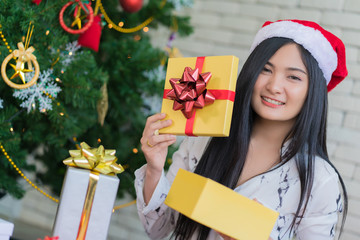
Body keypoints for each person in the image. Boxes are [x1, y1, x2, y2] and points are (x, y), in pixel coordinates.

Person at [135, 19, 348, 240]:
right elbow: (157, 230)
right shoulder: (204, 138)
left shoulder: (320, 180)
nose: (274, 86)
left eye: (293, 77)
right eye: (265, 70)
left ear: (313, 92)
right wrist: (154, 169)